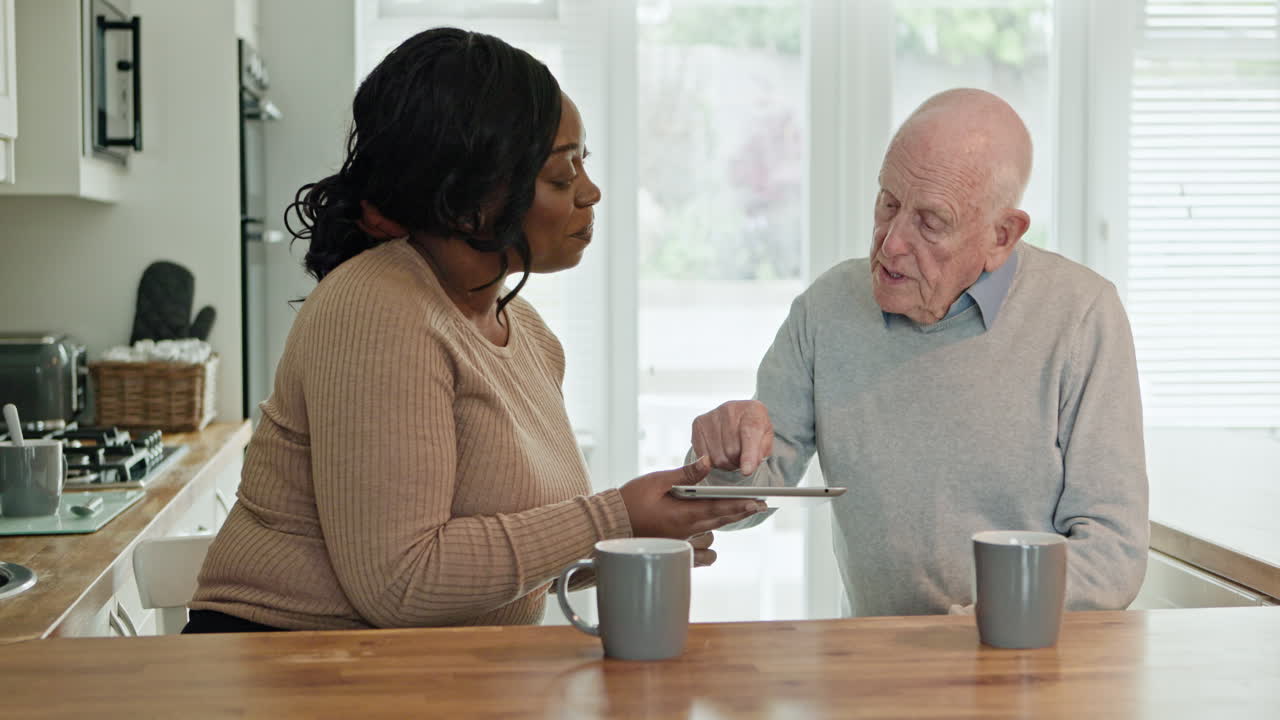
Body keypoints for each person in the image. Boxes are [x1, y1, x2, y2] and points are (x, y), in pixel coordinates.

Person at [186, 28, 764, 633]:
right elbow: (401, 583)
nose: (591, 193)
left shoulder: (528, 333)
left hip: (422, 667)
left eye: (583, 166)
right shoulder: (378, 306)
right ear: (467, 200)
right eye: (561, 176)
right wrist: (615, 518)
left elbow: (492, 564)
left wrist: (632, 537)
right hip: (288, 662)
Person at [689, 88, 1148, 617]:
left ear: (1001, 235)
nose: (890, 243)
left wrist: (987, 622)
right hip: (880, 657)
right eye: (888, 203)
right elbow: (748, 497)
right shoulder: (827, 309)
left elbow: (1113, 551)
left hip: (1025, 653)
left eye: (930, 222)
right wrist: (725, 458)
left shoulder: (1082, 315)